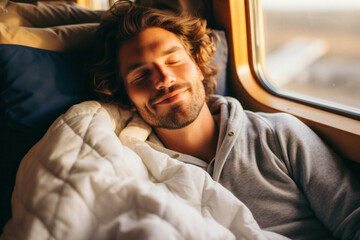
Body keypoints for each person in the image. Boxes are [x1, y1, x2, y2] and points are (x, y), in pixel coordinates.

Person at [91, 1, 360, 239]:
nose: (164, 79)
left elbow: (353, 220)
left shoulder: (280, 134)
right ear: (126, 99)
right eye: (140, 76)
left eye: (173, 60)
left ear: (197, 63)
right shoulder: (133, 170)